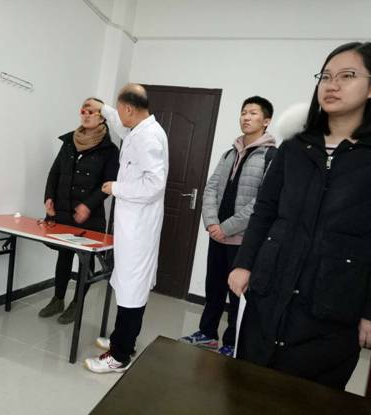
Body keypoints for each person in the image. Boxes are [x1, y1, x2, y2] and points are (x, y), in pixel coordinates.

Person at [228, 42, 371, 389]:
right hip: (270, 289)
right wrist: (244, 262)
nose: (332, 85)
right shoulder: (295, 145)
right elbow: (265, 210)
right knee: (246, 389)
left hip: (334, 303)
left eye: (347, 76)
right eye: (325, 76)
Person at [179, 96, 277, 357]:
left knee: (237, 295)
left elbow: (262, 203)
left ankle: (232, 343)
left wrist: (227, 228)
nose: (246, 117)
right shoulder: (229, 153)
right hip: (218, 236)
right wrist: (213, 223)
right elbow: (211, 187)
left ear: (266, 121)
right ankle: (207, 334)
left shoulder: (271, 157)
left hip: (243, 240)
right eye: (243, 112)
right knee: (214, 288)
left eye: (253, 113)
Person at [83, 84, 169, 373]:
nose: (117, 117)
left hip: (139, 228)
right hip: (131, 225)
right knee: (126, 284)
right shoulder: (138, 130)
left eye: (120, 110)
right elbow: (121, 127)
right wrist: (103, 107)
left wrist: (116, 187)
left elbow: (155, 185)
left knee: (132, 288)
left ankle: (120, 356)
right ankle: (122, 339)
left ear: (130, 109)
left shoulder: (149, 137)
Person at [38, 98, 119, 324]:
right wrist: (49, 198)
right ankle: (58, 299)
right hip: (64, 211)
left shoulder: (110, 150)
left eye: (92, 112)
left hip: (89, 216)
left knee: (85, 260)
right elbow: (55, 172)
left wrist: (87, 205)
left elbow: (109, 184)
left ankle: (77, 303)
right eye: (84, 110)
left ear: (102, 117)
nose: (86, 115)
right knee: (63, 255)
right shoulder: (69, 142)